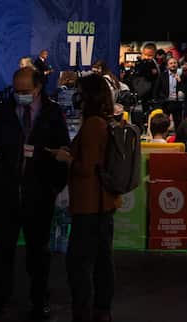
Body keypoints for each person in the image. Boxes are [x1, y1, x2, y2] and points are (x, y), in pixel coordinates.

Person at [0, 66, 70, 321]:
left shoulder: (53, 113)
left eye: (26, 91)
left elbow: (63, 148)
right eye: (17, 91)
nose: (20, 95)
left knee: (39, 253)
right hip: (6, 190)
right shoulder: (2, 111)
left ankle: (40, 301)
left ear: (39, 87)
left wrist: (54, 186)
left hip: (39, 191)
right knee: (2, 251)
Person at [46, 73, 117, 322]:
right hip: (102, 203)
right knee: (101, 260)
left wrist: (67, 159)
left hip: (89, 205)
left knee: (79, 263)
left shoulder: (92, 125)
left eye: (77, 91)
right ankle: (100, 309)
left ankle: (85, 311)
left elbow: (86, 167)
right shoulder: (103, 122)